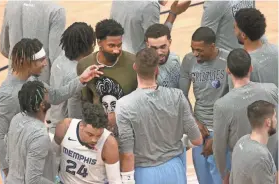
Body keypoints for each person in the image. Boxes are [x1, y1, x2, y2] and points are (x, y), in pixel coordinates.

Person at [0, 38, 103, 181]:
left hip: (34, 154)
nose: (45, 63)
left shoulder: (33, 81)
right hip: (17, 166)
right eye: (41, 60)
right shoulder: (7, 94)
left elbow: (56, 96)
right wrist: (8, 170)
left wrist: (81, 79)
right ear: (26, 62)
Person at [116, 48, 202, 184]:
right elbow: (197, 140)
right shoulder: (177, 96)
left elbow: (127, 153)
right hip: (175, 168)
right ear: (157, 70)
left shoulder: (124, 105)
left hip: (144, 173)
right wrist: (178, 142)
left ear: (135, 67)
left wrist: (127, 180)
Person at [213, 48, 278, 184]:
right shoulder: (271, 90)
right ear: (251, 68)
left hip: (243, 169)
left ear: (228, 70)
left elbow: (219, 146)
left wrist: (224, 173)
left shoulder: (222, 105)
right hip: (274, 166)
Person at [179, 27, 229, 184]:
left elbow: (235, 100)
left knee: (222, 179)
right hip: (199, 130)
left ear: (212, 46)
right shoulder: (188, 60)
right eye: (193, 49)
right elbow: (181, 95)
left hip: (222, 130)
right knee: (204, 179)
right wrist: (194, 121)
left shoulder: (228, 61)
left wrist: (219, 137)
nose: (195, 53)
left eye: (199, 50)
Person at [76, 19, 137, 136]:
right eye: (111, 45)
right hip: (100, 131)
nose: (116, 50)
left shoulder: (133, 63)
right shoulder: (84, 65)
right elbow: (86, 100)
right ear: (99, 42)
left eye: (119, 45)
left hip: (129, 129)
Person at [0, 1, 66, 84]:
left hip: (13, 81)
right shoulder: (56, 11)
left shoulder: (10, 5)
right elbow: (56, 58)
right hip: (40, 87)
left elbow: (4, 48)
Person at [47, 22, 96, 133]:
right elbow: (74, 111)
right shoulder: (77, 74)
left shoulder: (60, 59)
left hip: (54, 119)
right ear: (86, 46)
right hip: (67, 129)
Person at [53, 104, 121, 184]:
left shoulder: (109, 143)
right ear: (82, 125)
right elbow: (52, 157)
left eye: (99, 135)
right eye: (90, 134)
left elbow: (115, 181)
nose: (94, 140)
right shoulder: (65, 127)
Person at [5, 81, 56, 183]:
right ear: (41, 104)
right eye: (46, 93)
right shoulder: (40, 135)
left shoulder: (17, 118)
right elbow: (33, 181)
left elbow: (8, 158)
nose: (48, 94)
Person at [110, 0, 191, 54]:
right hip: (138, 63)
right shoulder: (150, 5)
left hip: (118, 55)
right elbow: (156, 39)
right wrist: (173, 13)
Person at [230, 100, 277, 184]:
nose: (276, 120)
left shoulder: (241, 141)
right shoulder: (260, 157)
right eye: (275, 117)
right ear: (268, 122)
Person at [234, 8, 278, 86]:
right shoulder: (276, 50)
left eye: (235, 28)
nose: (234, 31)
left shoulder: (241, 65)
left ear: (243, 35)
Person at [145, 23, 180, 88]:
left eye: (163, 47)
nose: (159, 52)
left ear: (169, 42)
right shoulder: (144, 70)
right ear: (147, 45)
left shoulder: (175, 59)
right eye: (154, 48)